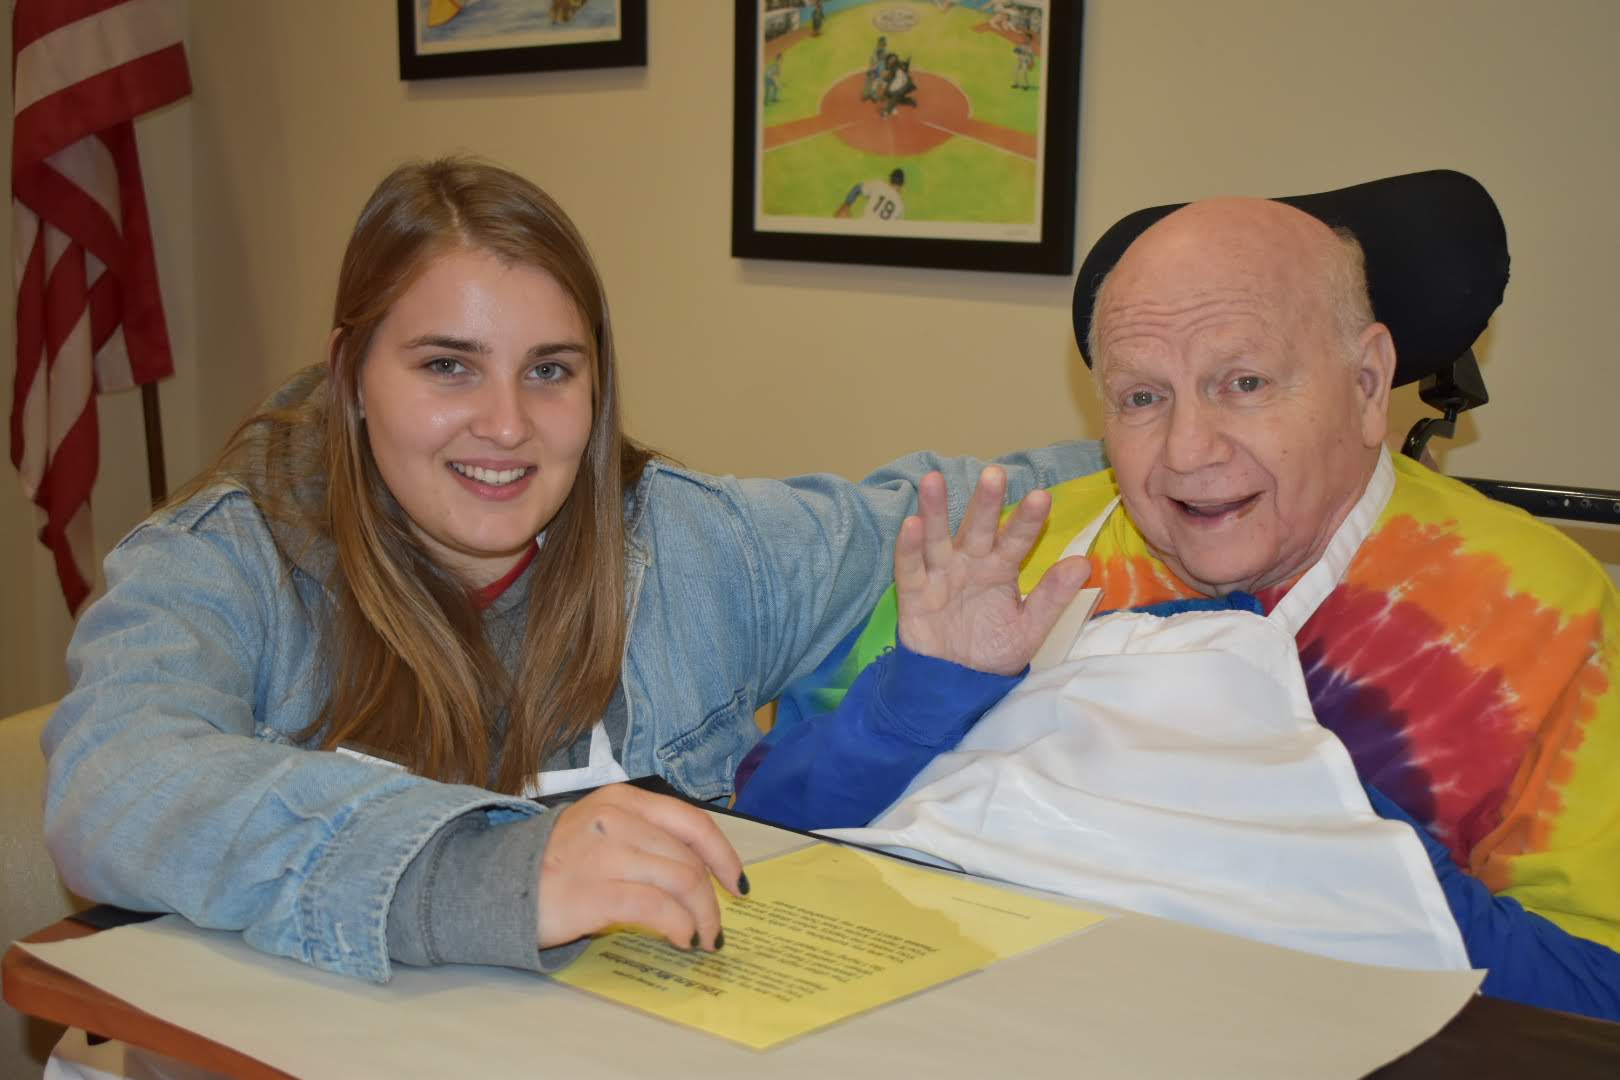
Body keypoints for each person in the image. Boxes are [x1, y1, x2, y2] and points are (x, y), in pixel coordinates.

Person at [41, 157, 1106, 993]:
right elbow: (112, 793)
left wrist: (1168, 459)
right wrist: (487, 875)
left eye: (550, 370)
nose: (506, 426)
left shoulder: (694, 549)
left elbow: (946, 507)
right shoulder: (226, 560)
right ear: (351, 376)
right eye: (446, 365)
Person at [735, 193, 1620, 1019]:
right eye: (1143, 398)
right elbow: (764, 844)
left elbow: (1596, 996)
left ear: (1364, 383)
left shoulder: (1542, 612)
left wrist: (1346, 854)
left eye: (1244, 383)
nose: (1189, 451)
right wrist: (922, 692)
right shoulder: (1010, 561)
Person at [834, 167, 905, 221]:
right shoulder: (900, 206)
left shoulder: (879, 185)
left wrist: (847, 205)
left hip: (862, 229)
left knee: (841, 214)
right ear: (901, 186)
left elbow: (857, 189)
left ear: (890, 180)